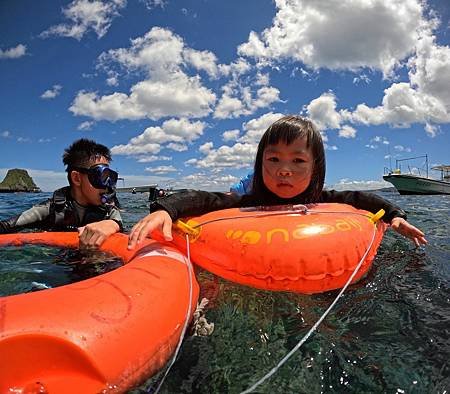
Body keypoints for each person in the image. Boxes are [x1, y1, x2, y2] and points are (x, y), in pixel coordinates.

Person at [128, 115, 427, 249]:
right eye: (274, 160)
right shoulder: (248, 203)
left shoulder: (323, 200)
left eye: (298, 161)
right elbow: (205, 199)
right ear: (260, 163)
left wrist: (395, 218)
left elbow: (360, 199)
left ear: (315, 168)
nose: (285, 170)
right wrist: (164, 210)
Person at [0, 138, 123, 247]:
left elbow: (118, 221)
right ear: (76, 178)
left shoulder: (108, 207)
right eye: (101, 176)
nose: (107, 185)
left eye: (110, 177)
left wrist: (112, 224)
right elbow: (7, 225)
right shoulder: (51, 209)